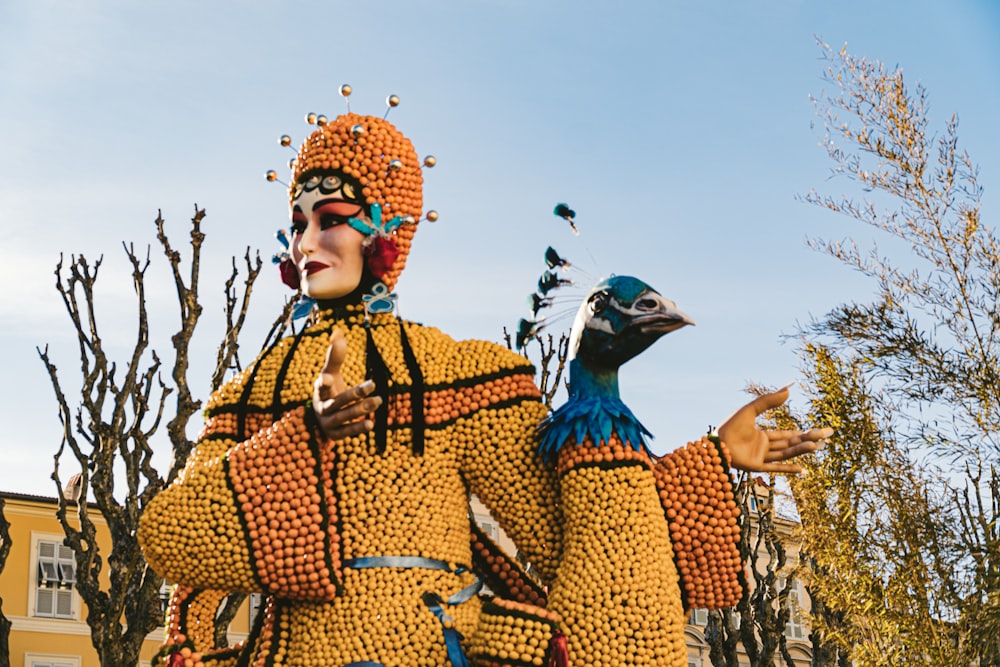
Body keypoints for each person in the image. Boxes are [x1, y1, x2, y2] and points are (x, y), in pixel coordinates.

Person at [137, 109, 830, 667]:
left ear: (385, 225)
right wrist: (302, 439)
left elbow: (561, 533)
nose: (305, 242)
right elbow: (177, 544)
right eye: (297, 223)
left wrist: (697, 455)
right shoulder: (249, 392)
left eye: (330, 218)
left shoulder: (455, 370)